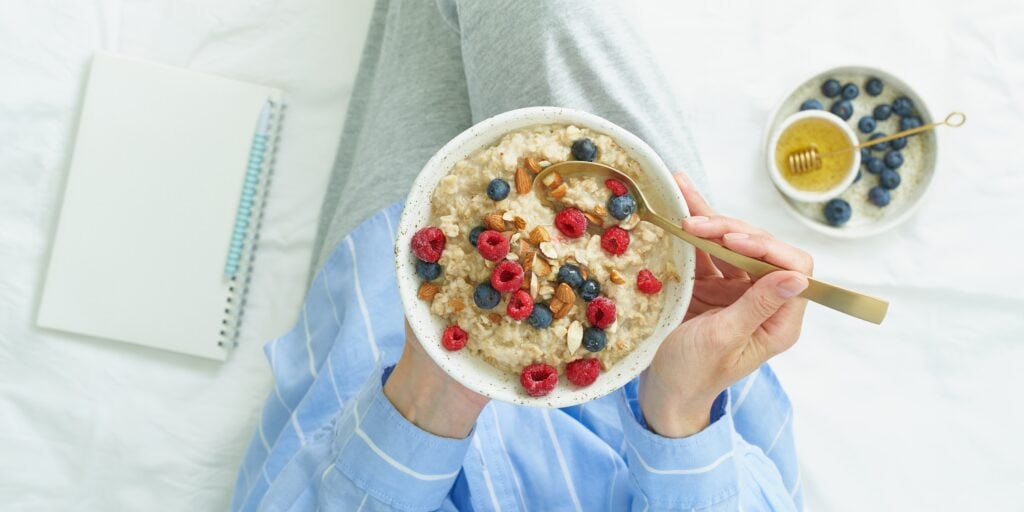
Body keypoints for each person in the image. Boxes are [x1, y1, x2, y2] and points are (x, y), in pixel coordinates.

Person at [231, 1, 810, 510]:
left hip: (388, 338)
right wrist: (680, 409)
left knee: (416, 25)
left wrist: (435, 391)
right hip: (667, 324)